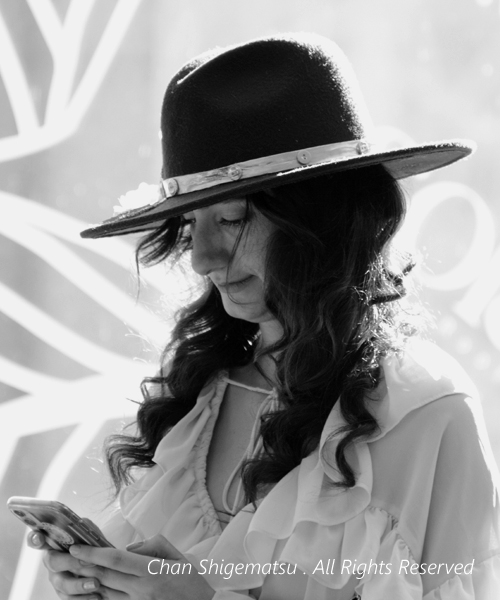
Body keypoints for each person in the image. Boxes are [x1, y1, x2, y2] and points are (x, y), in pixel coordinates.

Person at [29, 33, 500, 599]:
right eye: (191, 225)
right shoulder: (199, 400)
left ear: (324, 216)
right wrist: (104, 582)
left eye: (231, 219)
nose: (202, 258)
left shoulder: (428, 414)